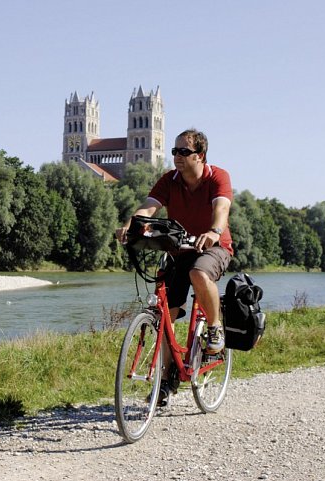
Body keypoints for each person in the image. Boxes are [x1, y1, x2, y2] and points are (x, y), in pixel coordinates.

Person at [116, 128, 233, 406]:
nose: (177, 157)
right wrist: (131, 226)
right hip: (179, 249)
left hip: (214, 247)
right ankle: (168, 378)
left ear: (200, 155)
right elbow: (149, 207)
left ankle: (215, 327)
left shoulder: (218, 177)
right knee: (165, 311)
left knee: (199, 273)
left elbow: (222, 209)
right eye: (174, 151)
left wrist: (215, 230)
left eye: (184, 152)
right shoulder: (170, 180)